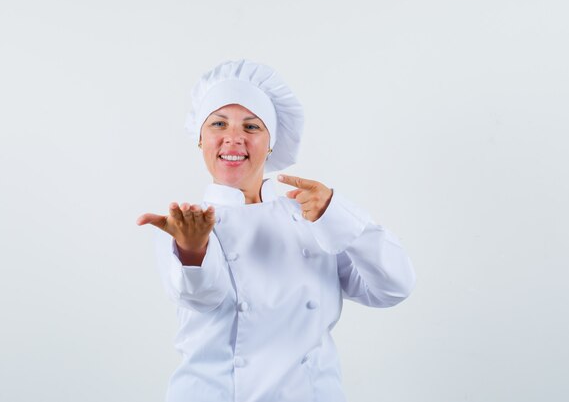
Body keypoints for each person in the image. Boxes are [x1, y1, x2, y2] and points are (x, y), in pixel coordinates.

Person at [136, 59, 416, 402]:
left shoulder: (314, 215)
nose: (234, 138)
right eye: (218, 124)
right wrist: (193, 251)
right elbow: (202, 298)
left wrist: (339, 215)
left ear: (271, 142)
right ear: (199, 137)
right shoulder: (184, 224)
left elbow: (392, 288)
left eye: (251, 127)